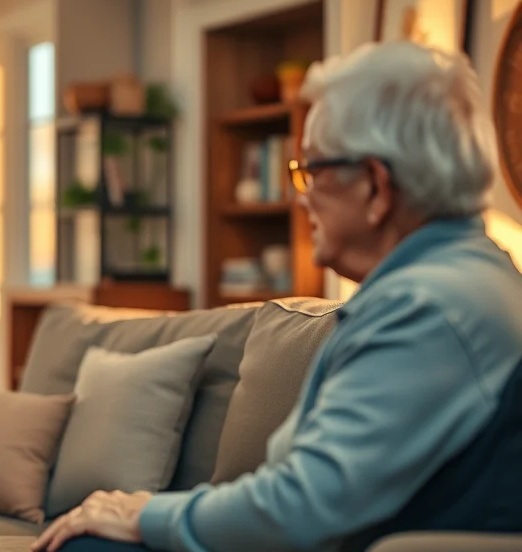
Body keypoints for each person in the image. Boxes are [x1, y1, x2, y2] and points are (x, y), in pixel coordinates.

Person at [32, 41, 522, 551]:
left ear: (375, 186)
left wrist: (146, 514)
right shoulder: (469, 276)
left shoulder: (426, 309)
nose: (300, 194)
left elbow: (305, 506)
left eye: (312, 169)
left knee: (90, 542)